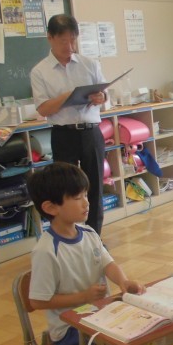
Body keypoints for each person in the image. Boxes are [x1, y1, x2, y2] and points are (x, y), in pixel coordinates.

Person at [27, 162, 173, 345]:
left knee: (149, 322)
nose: (86, 202)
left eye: (85, 195)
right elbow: (37, 301)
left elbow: (108, 263)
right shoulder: (46, 251)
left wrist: (123, 282)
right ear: (51, 207)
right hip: (71, 329)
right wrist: (83, 297)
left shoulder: (89, 233)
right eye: (77, 197)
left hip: (102, 314)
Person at [31, 14, 107, 235]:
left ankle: (94, 238)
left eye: (73, 39)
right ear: (50, 38)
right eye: (63, 40)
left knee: (95, 187)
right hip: (63, 134)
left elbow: (104, 96)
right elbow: (43, 109)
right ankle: (70, 237)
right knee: (65, 189)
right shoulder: (40, 71)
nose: (70, 46)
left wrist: (101, 97)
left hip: (91, 132)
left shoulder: (89, 64)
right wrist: (67, 96)